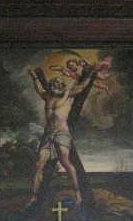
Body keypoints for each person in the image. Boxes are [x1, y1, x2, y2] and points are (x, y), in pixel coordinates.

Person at [25, 64, 99, 209]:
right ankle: (33, 196)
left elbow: (82, 87)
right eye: (54, 82)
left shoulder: (68, 94)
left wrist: (90, 75)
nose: (56, 84)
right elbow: (39, 88)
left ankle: (78, 194)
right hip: (48, 134)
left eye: (59, 82)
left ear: (62, 85)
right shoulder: (47, 96)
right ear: (51, 85)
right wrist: (33, 77)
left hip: (61, 133)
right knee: (39, 164)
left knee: (65, 162)